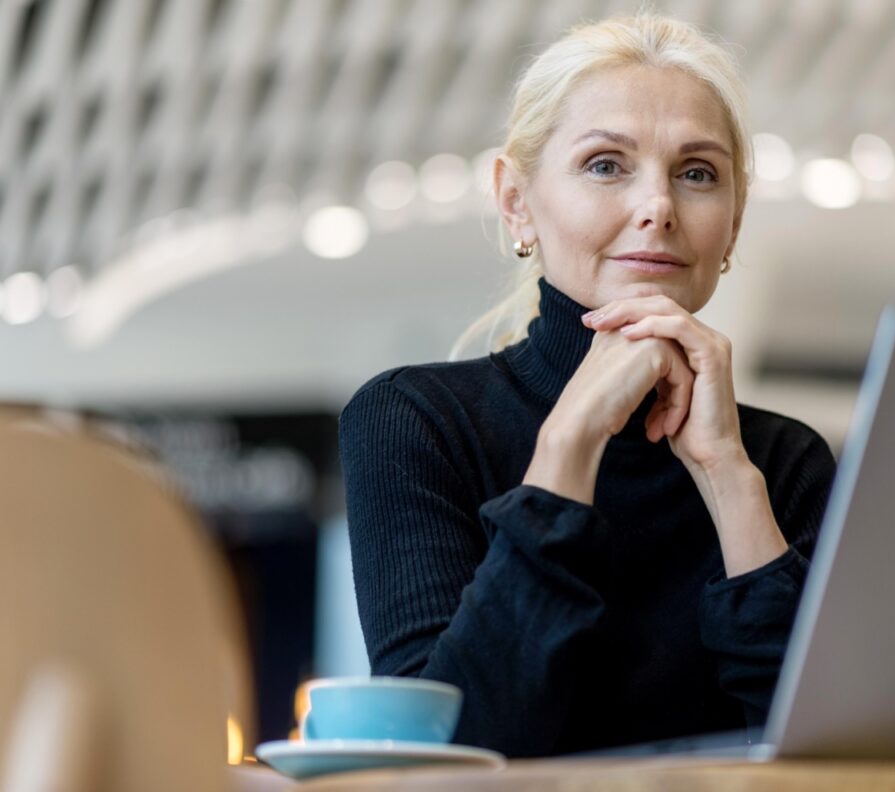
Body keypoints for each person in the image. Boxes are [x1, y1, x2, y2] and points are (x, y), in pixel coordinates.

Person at [339, 13, 835, 759]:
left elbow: (828, 755)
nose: (659, 205)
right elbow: (449, 757)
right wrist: (569, 446)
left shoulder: (784, 462)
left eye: (697, 173)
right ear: (516, 201)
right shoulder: (414, 421)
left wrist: (731, 481)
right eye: (606, 164)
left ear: (731, 225)